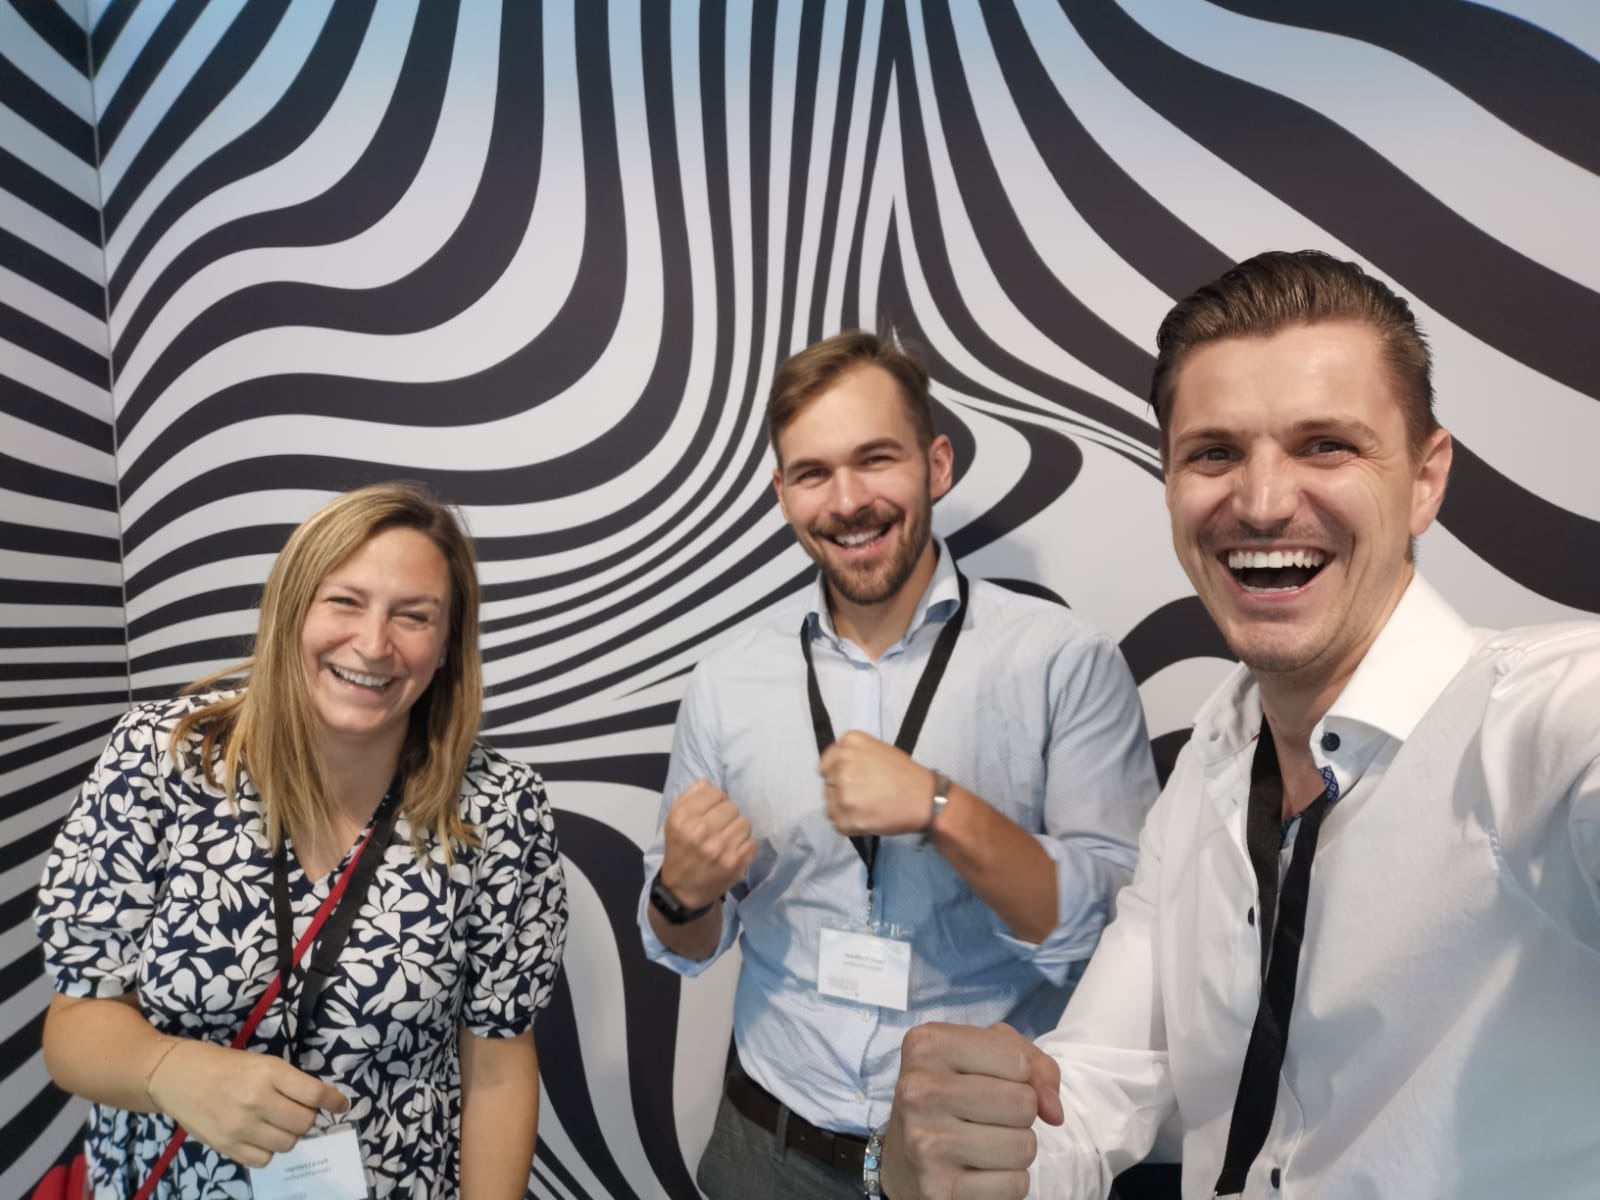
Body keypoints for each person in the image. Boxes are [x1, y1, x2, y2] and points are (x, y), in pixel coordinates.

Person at [881, 250, 1600, 1199]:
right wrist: (966, 1156)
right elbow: (1096, 1091)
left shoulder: (1535, 725)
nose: (1262, 504)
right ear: (1171, 482)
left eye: (1326, 446)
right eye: (1214, 453)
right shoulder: (1211, 762)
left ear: (1426, 480)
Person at [637, 331, 1159, 1199]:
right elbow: (682, 945)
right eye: (813, 473)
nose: (847, 501)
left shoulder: (1065, 662)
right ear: (782, 494)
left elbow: (1107, 936)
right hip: (765, 1148)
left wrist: (942, 808)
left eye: (875, 459)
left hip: (979, 1162)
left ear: (936, 464)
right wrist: (680, 896)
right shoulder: (727, 681)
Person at [35, 482, 569, 1198]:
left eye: (413, 616)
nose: (373, 644)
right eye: (345, 601)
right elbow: (73, 1027)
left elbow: (499, 1070)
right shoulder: (161, 759)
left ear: (446, 645)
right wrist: (169, 1071)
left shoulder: (501, 809)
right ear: (292, 609)